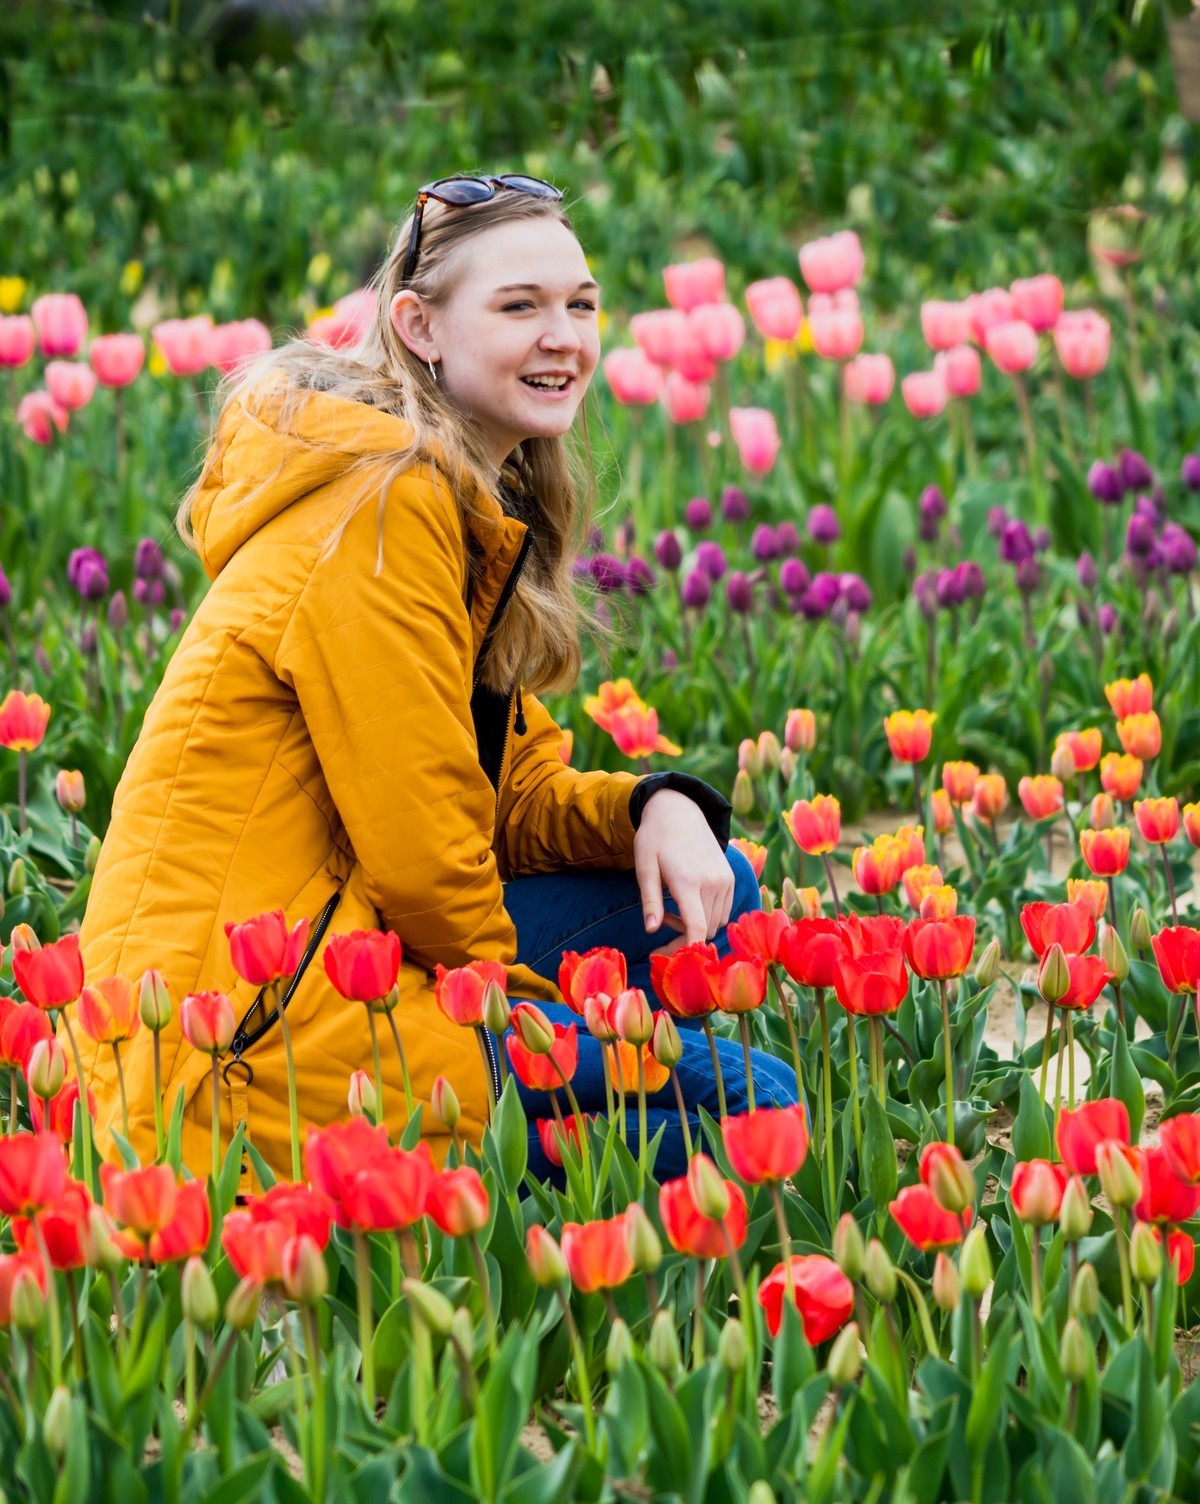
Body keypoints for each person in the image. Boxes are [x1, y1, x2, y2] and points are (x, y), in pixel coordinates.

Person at [77, 174, 798, 1185]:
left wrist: (655, 805)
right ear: (419, 326)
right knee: (755, 1101)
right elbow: (425, 856)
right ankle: (490, 1186)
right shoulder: (382, 506)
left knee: (705, 888)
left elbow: (510, 791)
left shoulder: (466, 498)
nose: (565, 338)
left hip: (340, 939)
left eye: (580, 305)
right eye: (519, 307)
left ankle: (517, 1148)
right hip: (242, 1032)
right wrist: (535, 1020)